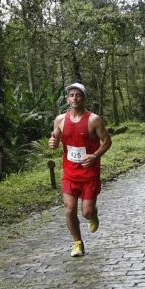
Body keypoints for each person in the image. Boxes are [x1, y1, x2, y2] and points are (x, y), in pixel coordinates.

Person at [48, 82, 112, 258]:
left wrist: (95, 156)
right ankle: (77, 243)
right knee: (69, 209)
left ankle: (93, 215)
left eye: (78, 95)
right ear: (67, 99)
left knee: (86, 212)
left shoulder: (93, 120)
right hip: (70, 172)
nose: (74, 98)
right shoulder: (60, 120)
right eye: (71, 95)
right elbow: (55, 139)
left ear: (84, 98)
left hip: (89, 172)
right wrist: (52, 143)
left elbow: (107, 141)